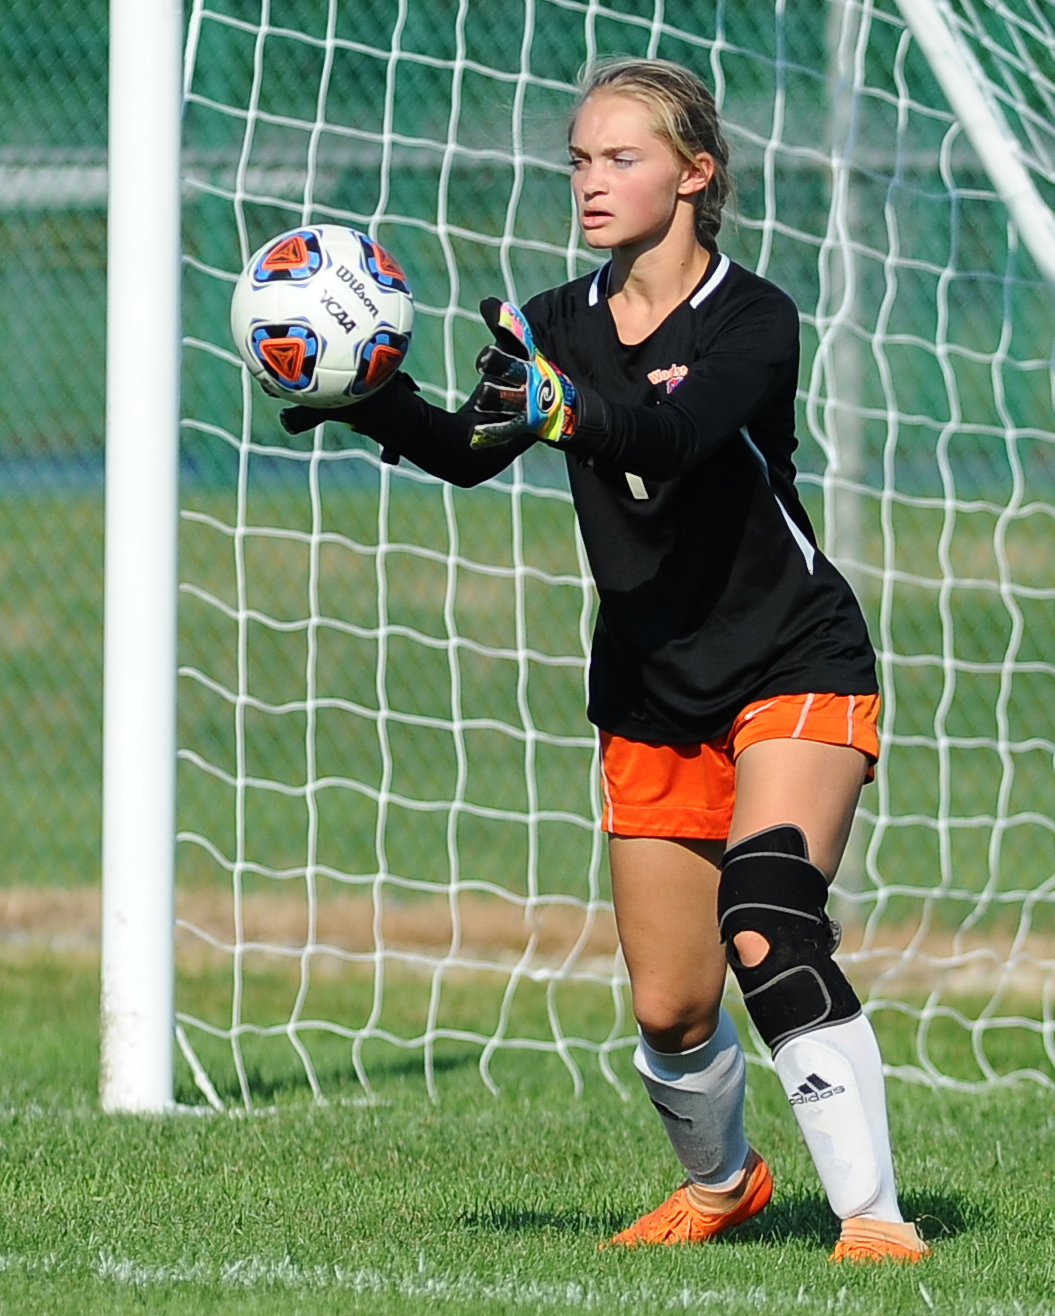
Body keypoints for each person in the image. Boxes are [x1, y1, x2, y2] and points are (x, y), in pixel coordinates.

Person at [279, 56, 928, 1265]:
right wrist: (365, 396)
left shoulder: (755, 317)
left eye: (621, 157)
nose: (589, 179)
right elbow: (476, 445)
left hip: (793, 655)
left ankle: (874, 1222)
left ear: (696, 174)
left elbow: (674, 436)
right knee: (672, 1006)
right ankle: (725, 1183)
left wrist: (564, 406)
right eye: (579, 157)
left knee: (770, 917)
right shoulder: (551, 319)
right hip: (649, 685)